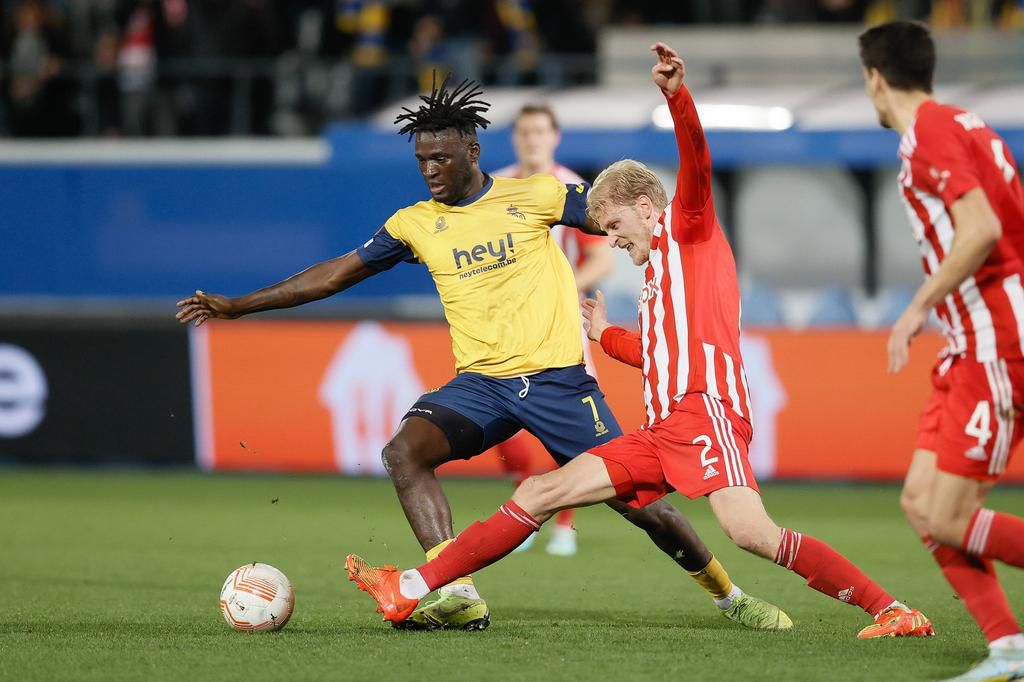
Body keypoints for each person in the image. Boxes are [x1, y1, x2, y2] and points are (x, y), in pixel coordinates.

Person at [346, 42, 933, 641]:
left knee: (753, 534)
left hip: (708, 416)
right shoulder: (657, 278)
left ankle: (891, 609)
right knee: (543, 489)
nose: (614, 241)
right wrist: (607, 335)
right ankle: (412, 586)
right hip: (664, 428)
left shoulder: (690, 228)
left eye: (617, 227)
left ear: (647, 208)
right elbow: (658, 355)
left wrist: (677, 97)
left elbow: (696, 158)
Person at [176, 75, 786, 632]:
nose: (430, 170)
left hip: (559, 383)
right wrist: (239, 306)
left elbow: (620, 217)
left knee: (641, 507)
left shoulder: (535, 197)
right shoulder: (414, 224)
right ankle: (457, 588)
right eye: (421, 161)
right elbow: (334, 274)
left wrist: (690, 256)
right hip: (482, 387)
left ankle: (729, 596)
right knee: (403, 452)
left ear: (472, 152)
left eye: (441, 157)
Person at [860, 21, 1024, 681]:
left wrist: (918, 303)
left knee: (952, 516)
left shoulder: (927, 131)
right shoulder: (965, 120)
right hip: (969, 344)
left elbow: (982, 226)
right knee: (922, 503)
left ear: (876, 78)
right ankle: (1008, 647)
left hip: (995, 339)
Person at [492, 102, 615, 557]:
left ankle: (565, 523)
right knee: (501, 427)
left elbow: (601, 258)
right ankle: (525, 512)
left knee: (577, 428)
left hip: (560, 327)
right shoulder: (495, 187)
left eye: (540, 131)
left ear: (555, 137)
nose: (532, 139)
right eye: (525, 131)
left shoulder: (573, 190)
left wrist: (559, 288)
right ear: (516, 138)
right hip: (506, 328)